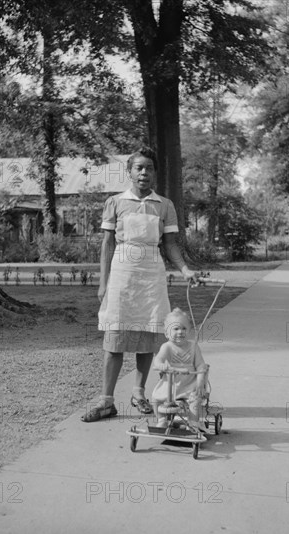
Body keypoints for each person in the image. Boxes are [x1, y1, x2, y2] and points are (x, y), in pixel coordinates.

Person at [81, 147, 198, 422]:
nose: (144, 173)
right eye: (139, 168)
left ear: (155, 173)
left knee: (147, 337)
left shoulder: (165, 206)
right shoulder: (115, 203)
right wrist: (103, 282)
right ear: (130, 172)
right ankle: (106, 401)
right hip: (122, 272)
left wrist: (184, 269)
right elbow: (107, 245)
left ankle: (138, 393)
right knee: (115, 338)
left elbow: (170, 245)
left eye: (149, 168)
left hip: (150, 274)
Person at [151, 308, 209, 431]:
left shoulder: (193, 346)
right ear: (167, 333)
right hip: (170, 384)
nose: (180, 332)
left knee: (195, 399)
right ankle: (161, 419)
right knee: (156, 398)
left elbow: (200, 365)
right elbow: (158, 360)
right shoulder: (167, 347)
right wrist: (161, 365)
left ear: (189, 331)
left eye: (184, 328)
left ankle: (193, 422)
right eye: (176, 328)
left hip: (189, 383)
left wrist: (200, 381)